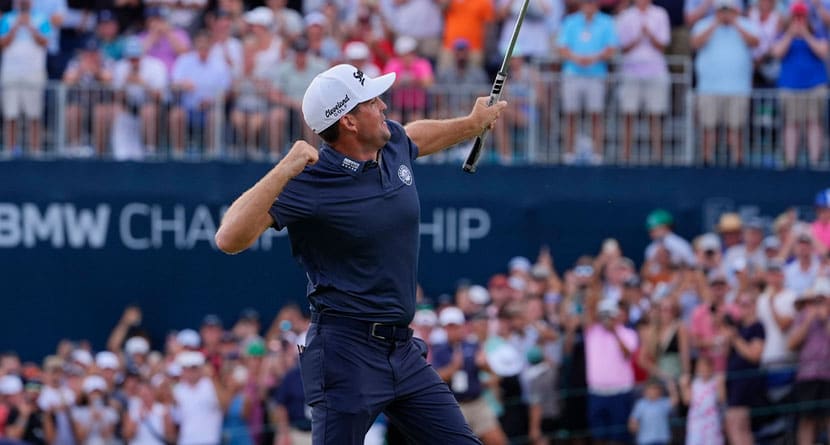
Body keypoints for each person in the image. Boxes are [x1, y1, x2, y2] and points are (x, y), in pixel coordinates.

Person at [215, 63, 506, 443]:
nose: (384, 106)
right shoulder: (309, 179)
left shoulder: (390, 144)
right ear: (349, 122)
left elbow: (415, 137)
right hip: (344, 355)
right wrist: (285, 167)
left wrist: (471, 124)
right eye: (372, 101)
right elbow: (228, 238)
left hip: (402, 350)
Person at [691, 0, 759, 165]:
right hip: (709, 87)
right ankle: (706, 161)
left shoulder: (746, 24)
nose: (725, 12)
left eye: (728, 9)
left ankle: (738, 162)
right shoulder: (703, 24)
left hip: (738, 87)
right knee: (708, 127)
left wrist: (735, 22)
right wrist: (715, 23)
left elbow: (755, 42)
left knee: (736, 127)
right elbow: (695, 44)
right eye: (722, 9)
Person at [431, 307, 509, 445]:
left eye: (455, 326)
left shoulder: (473, 346)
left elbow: (493, 375)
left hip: (477, 402)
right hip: (455, 407)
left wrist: (485, 366)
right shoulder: (439, 351)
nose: (453, 330)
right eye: (449, 327)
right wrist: (454, 367)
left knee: (497, 440)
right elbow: (435, 379)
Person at [557, 0, 619, 165]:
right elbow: (562, 47)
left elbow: (611, 48)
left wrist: (593, 58)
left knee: (596, 115)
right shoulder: (570, 21)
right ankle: (569, 153)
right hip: (572, 74)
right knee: (570, 115)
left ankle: (597, 155)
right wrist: (577, 58)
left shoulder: (607, 22)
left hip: (596, 75)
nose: (589, 6)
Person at [771, 1, 829, 168]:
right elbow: (776, 52)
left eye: (801, 15)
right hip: (790, 86)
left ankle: (814, 162)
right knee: (791, 123)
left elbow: (823, 51)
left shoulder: (817, 32)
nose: (798, 19)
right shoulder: (783, 33)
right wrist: (791, 34)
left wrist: (806, 34)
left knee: (814, 122)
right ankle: (790, 162)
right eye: (796, 16)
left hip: (814, 86)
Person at [615, 0, 671, 164]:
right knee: (628, 114)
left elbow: (663, 45)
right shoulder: (625, 16)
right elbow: (622, 48)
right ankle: (625, 157)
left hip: (656, 71)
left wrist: (650, 34)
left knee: (655, 115)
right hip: (630, 72)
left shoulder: (660, 14)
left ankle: (658, 157)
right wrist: (639, 36)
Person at [0, 0, 51, 156]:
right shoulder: (7, 19)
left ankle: (35, 151)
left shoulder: (42, 19)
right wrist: (15, 27)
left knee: (34, 115)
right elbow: (2, 43)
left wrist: (30, 26)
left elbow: (45, 42)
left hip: (34, 71)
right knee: (10, 115)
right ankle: (10, 150)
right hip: (11, 72)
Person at [787, 277, 830, 445]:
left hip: (828, 375)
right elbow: (792, 344)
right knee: (807, 420)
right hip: (807, 376)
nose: (819, 303)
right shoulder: (804, 316)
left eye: (823, 299)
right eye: (816, 299)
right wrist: (810, 319)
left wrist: (826, 319)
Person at [680, 356, 725, 445]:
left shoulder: (715, 382)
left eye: (706, 367)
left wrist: (721, 385)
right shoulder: (694, 384)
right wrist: (683, 386)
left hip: (711, 424)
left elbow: (721, 399)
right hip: (696, 424)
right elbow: (687, 400)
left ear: (711, 368)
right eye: (700, 368)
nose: (703, 370)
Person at [627, 378, 677, 445]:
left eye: (656, 388)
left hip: (662, 440)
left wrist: (672, 388)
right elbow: (633, 422)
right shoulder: (640, 404)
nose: (654, 391)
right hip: (645, 440)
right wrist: (633, 426)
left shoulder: (663, 402)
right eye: (651, 388)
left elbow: (675, 401)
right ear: (646, 390)